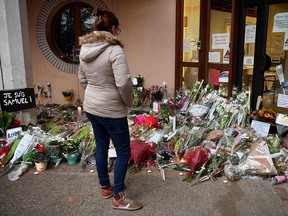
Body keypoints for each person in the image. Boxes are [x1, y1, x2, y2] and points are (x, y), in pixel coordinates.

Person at [78, 9, 142, 211]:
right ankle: (119, 197)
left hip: (92, 107)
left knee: (102, 146)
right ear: (113, 28)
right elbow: (123, 83)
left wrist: (95, 96)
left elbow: (82, 80)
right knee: (123, 150)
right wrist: (128, 102)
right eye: (118, 29)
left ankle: (106, 187)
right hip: (112, 110)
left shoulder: (84, 50)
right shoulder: (114, 50)